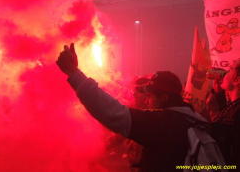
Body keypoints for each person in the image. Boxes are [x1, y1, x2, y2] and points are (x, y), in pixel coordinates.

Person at [56, 43, 208, 171]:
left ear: (164, 98)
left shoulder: (163, 122)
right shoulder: (188, 116)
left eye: (150, 97)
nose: (147, 102)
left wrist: (74, 74)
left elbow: (113, 114)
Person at [105, 77, 149, 172]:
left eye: (138, 90)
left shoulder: (153, 115)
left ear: (147, 93)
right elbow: (118, 136)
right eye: (134, 90)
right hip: (135, 166)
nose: (134, 94)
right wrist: (99, 148)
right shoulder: (134, 112)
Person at [210, 59, 240, 167]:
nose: (224, 74)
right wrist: (218, 95)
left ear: (238, 80)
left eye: (229, 70)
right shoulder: (233, 108)